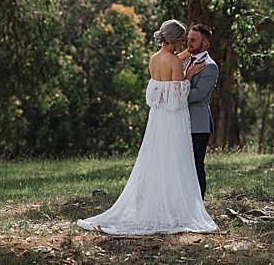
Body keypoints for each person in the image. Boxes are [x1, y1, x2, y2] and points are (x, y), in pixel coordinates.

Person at [76, 19, 218, 235]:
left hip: (160, 119)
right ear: (175, 39)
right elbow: (178, 97)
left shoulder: (154, 59)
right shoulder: (177, 62)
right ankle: (177, 210)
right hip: (174, 119)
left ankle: (175, 204)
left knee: (169, 164)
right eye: (183, 39)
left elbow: (156, 94)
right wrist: (188, 76)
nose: (185, 43)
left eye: (190, 40)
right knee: (177, 165)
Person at [177, 24, 218, 199]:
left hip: (198, 125)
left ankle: (197, 204)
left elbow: (198, 94)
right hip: (179, 121)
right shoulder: (184, 60)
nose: (189, 43)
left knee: (195, 165)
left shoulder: (210, 67)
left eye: (194, 40)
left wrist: (175, 94)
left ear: (206, 43)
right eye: (188, 39)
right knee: (180, 165)